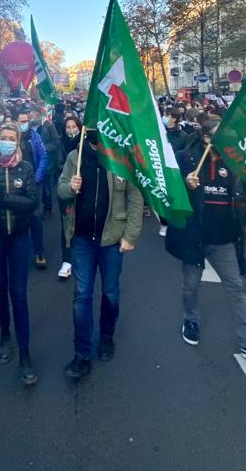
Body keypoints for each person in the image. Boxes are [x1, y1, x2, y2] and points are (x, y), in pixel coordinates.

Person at [167, 124, 246, 362]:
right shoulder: (186, 158)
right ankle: (190, 319)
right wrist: (185, 182)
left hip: (225, 239)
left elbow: (243, 192)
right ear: (205, 137)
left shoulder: (235, 162)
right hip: (196, 236)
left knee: (236, 288)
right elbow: (169, 188)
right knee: (191, 285)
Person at [57, 129, 143, 381]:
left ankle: (106, 337)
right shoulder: (76, 156)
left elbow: (135, 197)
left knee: (110, 292)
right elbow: (60, 188)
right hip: (82, 238)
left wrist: (131, 235)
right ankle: (81, 352)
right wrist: (70, 188)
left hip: (112, 240)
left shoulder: (121, 157)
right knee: (81, 296)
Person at [0, 124, 40, 386]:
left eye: (12, 138)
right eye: (3, 138)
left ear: (18, 142)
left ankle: (25, 352)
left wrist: (3, 199)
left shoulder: (25, 167)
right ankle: (5, 334)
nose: (7, 142)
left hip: (19, 237)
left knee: (18, 294)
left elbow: (32, 202)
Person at [15, 106, 48, 269]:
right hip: (15, 186)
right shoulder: (10, 138)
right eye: (21, 121)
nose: (25, 124)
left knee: (36, 218)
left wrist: (37, 177)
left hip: (33, 184)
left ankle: (39, 252)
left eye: (26, 121)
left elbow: (43, 157)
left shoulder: (35, 137)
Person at [56, 115, 82, 279]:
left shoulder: (85, 146)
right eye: (68, 127)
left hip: (82, 189)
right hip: (65, 189)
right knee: (66, 223)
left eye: (74, 126)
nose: (71, 130)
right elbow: (55, 163)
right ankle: (67, 259)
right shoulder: (61, 144)